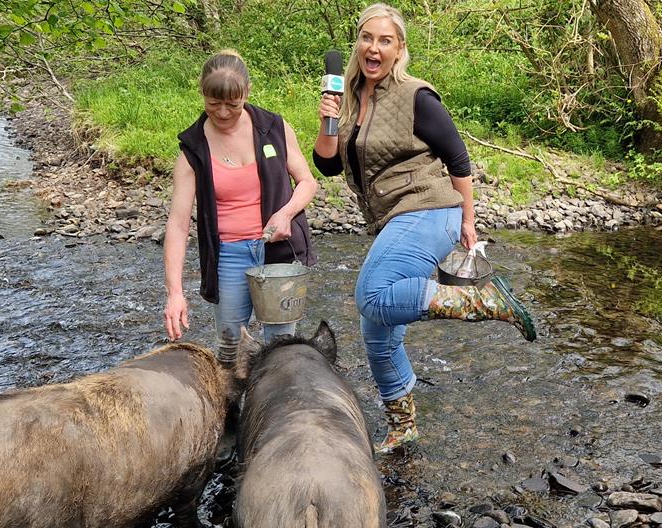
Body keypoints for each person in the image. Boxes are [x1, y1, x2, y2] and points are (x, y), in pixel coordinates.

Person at [313, 3, 537, 454]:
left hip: (431, 209)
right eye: (367, 38)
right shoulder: (351, 98)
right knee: (376, 328)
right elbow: (327, 164)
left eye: (385, 40)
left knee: (371, 296)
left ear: (399, 50)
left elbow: (459, 161)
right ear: (358, 44)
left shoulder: (416, 96)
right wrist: (328, 120)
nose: (374, 48)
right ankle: (403, 426)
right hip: (392, 219)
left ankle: (481, 299)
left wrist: (469, 223)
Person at [164, 50, 318, 363]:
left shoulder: (273, 128)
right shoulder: (193, 149)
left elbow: (307, 182)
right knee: (230, 348)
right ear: (202, 95)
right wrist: (175, 293)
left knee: (281, 349)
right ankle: (235, 411)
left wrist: (286, 213)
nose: (222, 112)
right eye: (213, 104)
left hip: (278, 252)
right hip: (229, 256)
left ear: (246, 93)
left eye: (232, 105)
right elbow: (178, 225)